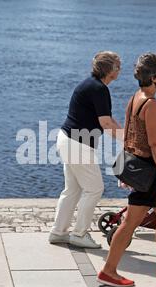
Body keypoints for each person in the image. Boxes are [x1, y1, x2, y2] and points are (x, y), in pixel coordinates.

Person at [97, 53, 156, 286]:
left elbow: (129, 134)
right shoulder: (150, 104)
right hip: (151, 173)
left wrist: (128, 167)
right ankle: (109, 271)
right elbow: (154, 144)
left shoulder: (135, 98)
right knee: (130, 222)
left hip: (142, 169)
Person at [49, 51, 123, 249]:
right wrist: (127, 139)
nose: (120, 69)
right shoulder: (99, 89)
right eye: (118, 66)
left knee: (72, 189)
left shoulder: (93, 85)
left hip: (68, 141)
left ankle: (58, 232)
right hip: (77, 145)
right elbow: (106, 123)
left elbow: (108, 119)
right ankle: (79, 234)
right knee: (95, 189)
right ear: (109, 70)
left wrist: (124, 132)